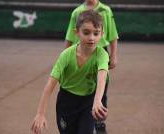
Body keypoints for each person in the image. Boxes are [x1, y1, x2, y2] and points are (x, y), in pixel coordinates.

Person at [31, 10, 109, 134]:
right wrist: (40, 113)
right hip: (67, 101)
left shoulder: (102, 55)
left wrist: (97, 100)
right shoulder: (66, 56)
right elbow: (50, 86)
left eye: (96, 33)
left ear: (102, 34)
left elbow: (102, 77)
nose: (91, 38)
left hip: (88, 101)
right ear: (76, 33)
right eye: (86, 32)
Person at [65, 0, 118, 133]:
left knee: (101, 87)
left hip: (100, 52)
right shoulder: (77, 12)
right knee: (83, 87)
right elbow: (70, 37)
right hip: (81, 53)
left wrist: (114, 54)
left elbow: (112, 34)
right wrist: (65, 58)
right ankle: (81, 118)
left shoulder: (106, 10)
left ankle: (99, 123)